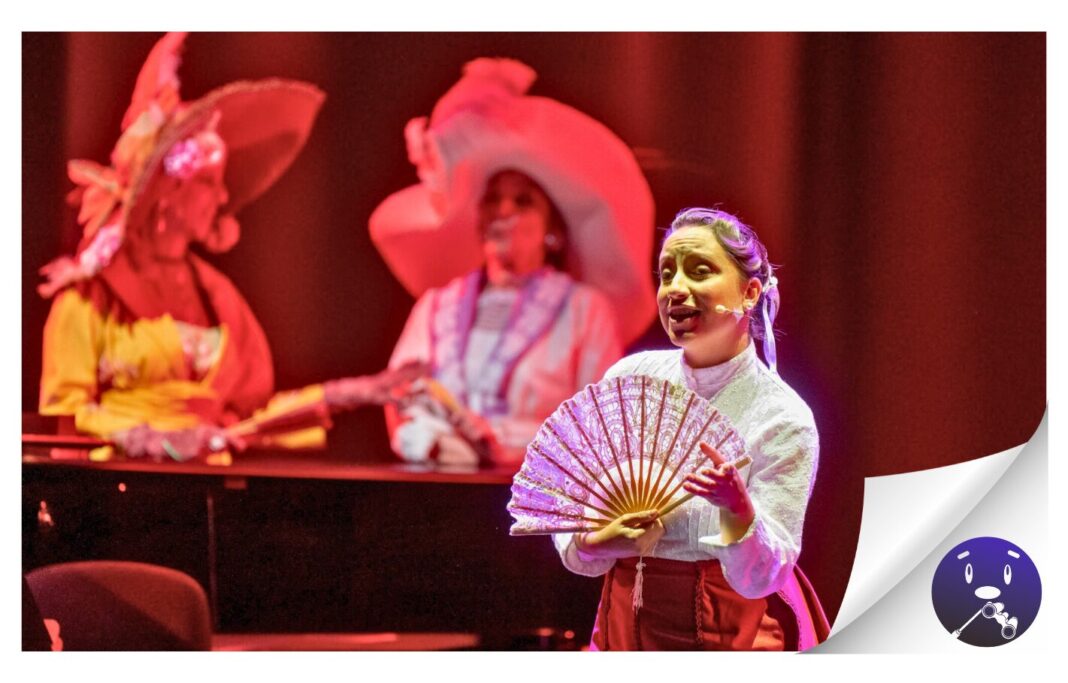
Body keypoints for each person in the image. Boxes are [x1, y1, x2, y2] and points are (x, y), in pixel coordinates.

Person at [37, 32, 346, 461]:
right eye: (208, 182)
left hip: (207, 492)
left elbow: (249, 410)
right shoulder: (92, 297)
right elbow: (69, 414)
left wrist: (338, 395)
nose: (222, 198)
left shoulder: (218, 297)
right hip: (117, 493)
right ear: (167, 191)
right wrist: (144, 437)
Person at [551, 207, 828, 650]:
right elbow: (566, 503)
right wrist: (598, 541)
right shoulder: (628, 381)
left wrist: (737, 508)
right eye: (666, 274)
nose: (675, 289)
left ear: (750, 292)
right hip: (626, 633)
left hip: (729, 641)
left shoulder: (782, 417)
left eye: (699, 271)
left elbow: (765, 577)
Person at [369, 58, 656, 466]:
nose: (502, 211)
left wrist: (498, 442)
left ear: (551, 230)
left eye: (522, 202)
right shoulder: (436, 308)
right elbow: (399, 395)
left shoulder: (584, 312)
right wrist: (430, 440)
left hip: (536, 502)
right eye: (492, 199)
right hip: (432, 491)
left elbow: (602, 422)